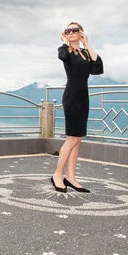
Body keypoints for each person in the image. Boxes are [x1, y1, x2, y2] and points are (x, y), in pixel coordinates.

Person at [51, 22, 103, 193]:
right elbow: (62, 56)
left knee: (78, 139)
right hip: (71, 97)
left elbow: (97, 68)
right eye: (68, 31)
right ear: (65, 33)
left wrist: (87, 43)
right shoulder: (66, 50)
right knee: (71, 139)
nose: (72, 32)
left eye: (75, 30)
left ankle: (71, 177)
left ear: (81, 33)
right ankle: (58, 175)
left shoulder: (86, 53)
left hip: (83, 98)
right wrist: (65, 41)